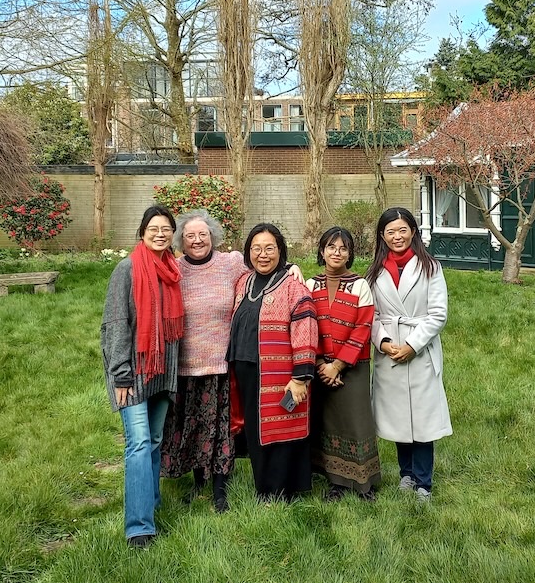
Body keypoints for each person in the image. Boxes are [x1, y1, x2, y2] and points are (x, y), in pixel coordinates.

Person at [160, 210, 304, 513]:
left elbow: (263, 266)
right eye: (190, 236)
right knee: (193, 425)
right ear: (180, 241)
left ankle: (220, 487)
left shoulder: (229, 263)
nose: (197, 240)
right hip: (186, 365)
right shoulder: (173, 269)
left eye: (203, 234)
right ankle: (199, 482)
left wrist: (293, 268)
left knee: (220, 427)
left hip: (222, 364)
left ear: (213, 237)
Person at [100, 205, 183, 549]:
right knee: (136, 445)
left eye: (166, 228)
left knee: (153, 442)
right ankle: (139, 527)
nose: (160, 233)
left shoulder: (173, 270)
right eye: (154, 228)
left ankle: (149, 502)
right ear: (142, 231)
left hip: (162, 374)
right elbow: (116, 324)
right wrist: (120, 376)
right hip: (133, 373)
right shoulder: (127, 269)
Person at [365, 207, 451, 502]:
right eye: (390, 231)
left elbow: (438, 314)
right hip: (389, 352)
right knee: (399, 418)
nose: (397, 236)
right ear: (382, 236)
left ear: (413, 232)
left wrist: (412, 345)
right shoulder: (375, 272)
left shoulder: (430, 267)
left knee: (423, 419)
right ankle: (406, 474)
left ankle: (424, 481)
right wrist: (385, 342)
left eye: (403, 230)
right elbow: (370, 314)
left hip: (420, 351)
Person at [228, 223, 318, 501]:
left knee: (280, 430)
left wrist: (301, 376)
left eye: (270, 248)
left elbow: (306, 330)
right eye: (256, 249)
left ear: (280, 251)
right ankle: (263, 486)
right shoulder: (244, 282)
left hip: (278, 371)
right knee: (255, 432)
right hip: (244, 368)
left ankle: (280, 490)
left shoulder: (293, 287)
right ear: (248, 252)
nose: (262, 255)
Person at [306, 226, 381, 500]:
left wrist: (337, 366)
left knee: (356, 422)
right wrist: (320, 364)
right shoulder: (310, 284)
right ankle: (335, 481)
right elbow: (306, 325)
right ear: (322, 251)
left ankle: (364, 483)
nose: (336, 252)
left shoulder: (360, 285)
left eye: (343, 248)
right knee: (328, 423)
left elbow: (363, 328)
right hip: (319, 366)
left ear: (350, 254)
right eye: (331, 247)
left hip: (353, 367)